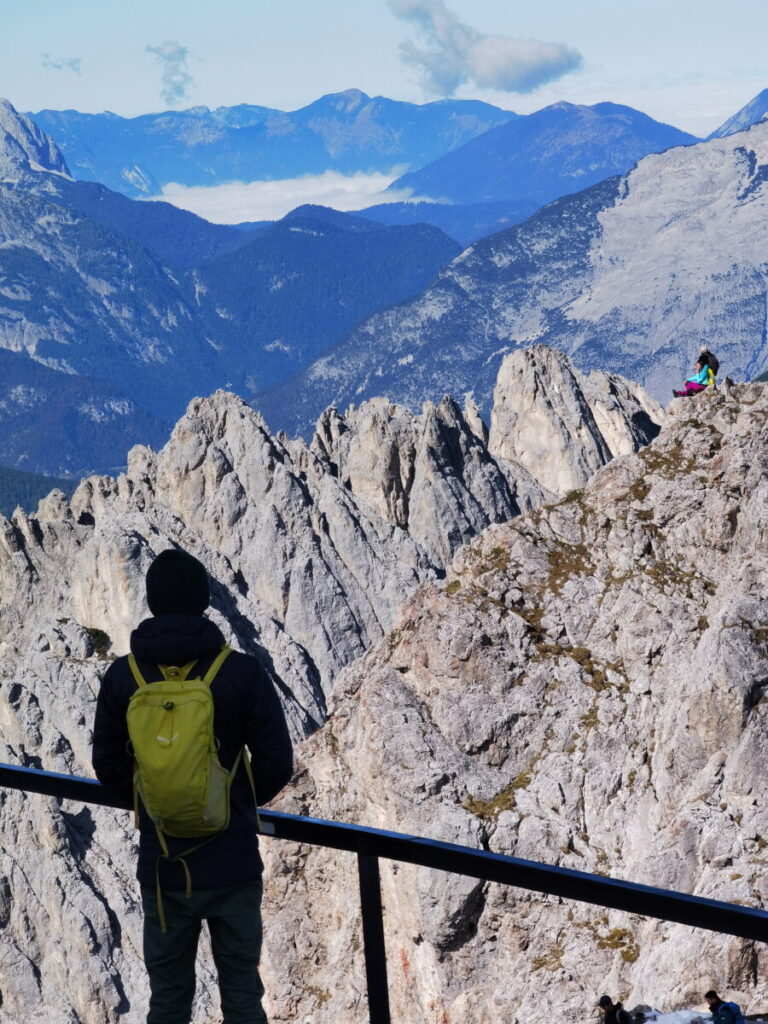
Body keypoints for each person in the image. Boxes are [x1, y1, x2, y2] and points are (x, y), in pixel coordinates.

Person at [92, 547, 293, 1024]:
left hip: (164, 867)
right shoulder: (240, 672)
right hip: (234, 864)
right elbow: (276, 763)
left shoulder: (124, 676)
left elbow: (108, 765)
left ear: (153, 602)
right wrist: (231, 802)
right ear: (205, 601)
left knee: (168, 1001)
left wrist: (159, 803)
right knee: (242, 997)